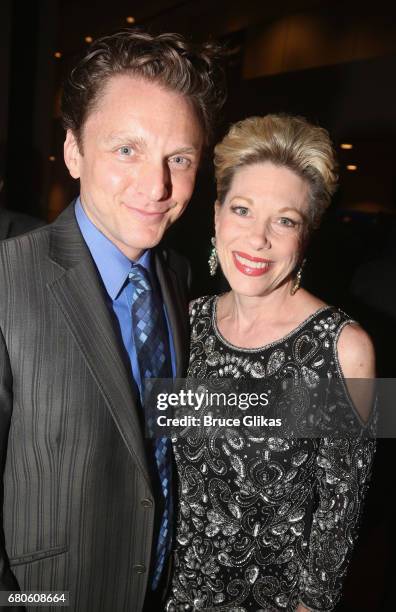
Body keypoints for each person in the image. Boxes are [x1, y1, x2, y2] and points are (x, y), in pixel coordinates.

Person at [0, 30, 225, 612]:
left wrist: (355, 400)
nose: (158, 187)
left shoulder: (176, 275)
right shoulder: (7, 283)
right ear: (73, 151)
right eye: (126, 149)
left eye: (179, 157)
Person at [166, 115, 375, 612]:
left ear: (305, 237)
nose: (258, 239)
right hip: (174, 595)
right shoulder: (185, 321)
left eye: (285, 220)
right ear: (216, 216)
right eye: (242, 210)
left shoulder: (347, 349)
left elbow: (336, 526)